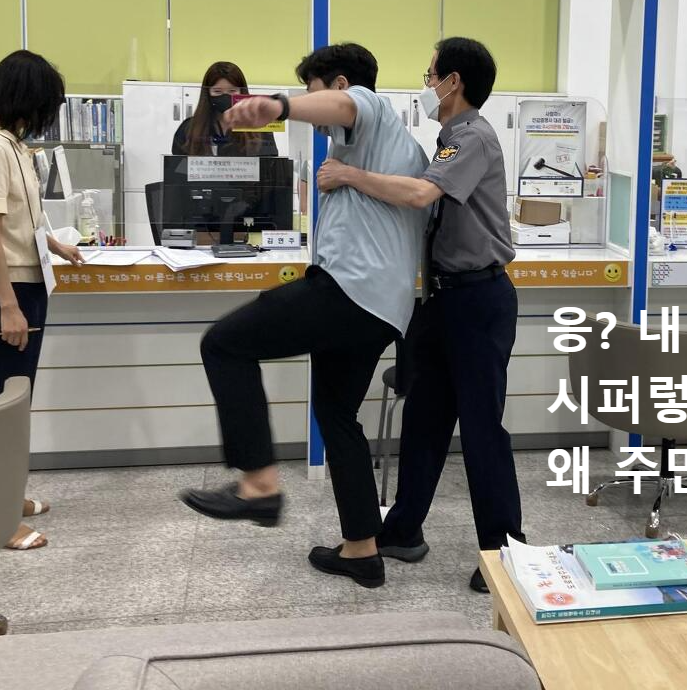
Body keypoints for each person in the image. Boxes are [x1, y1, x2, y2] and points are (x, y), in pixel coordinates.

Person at [178, 43, 427, 589]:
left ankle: (258, 486)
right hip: (379, 308)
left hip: (350, 291)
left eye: (313, 91)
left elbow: (344, 105)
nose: (314, 109)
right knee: (337, 416)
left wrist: (280, 106)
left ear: (337, 84)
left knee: (224, 344)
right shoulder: (375, 149)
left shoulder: (369, 111)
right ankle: (362, 551)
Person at [317, 36, 523, 593]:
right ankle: (404, 529)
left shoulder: (472, 137)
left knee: (481, 427)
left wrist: (349, 175)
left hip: (478, 300)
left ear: (454, 81)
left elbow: (418, 196)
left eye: (431, 75)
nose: (427, 85)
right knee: (424, 419)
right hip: (440, 300)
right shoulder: (447, 140)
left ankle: (505, 553)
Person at [0, 49, 85, 551]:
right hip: (5, 291)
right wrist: (9, 306)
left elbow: (19, 221)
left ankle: (5, 498)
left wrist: (54, 245)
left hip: (26, 284)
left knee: (15, 401)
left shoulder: (13, 147)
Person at [172, 61, 278, 157]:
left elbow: (271, 166)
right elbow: (177, 167)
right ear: (207, 94)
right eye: (217, 91)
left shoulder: (259, 127)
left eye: (232, 91)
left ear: (242, 92)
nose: (225, 96)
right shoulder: (189, 128)